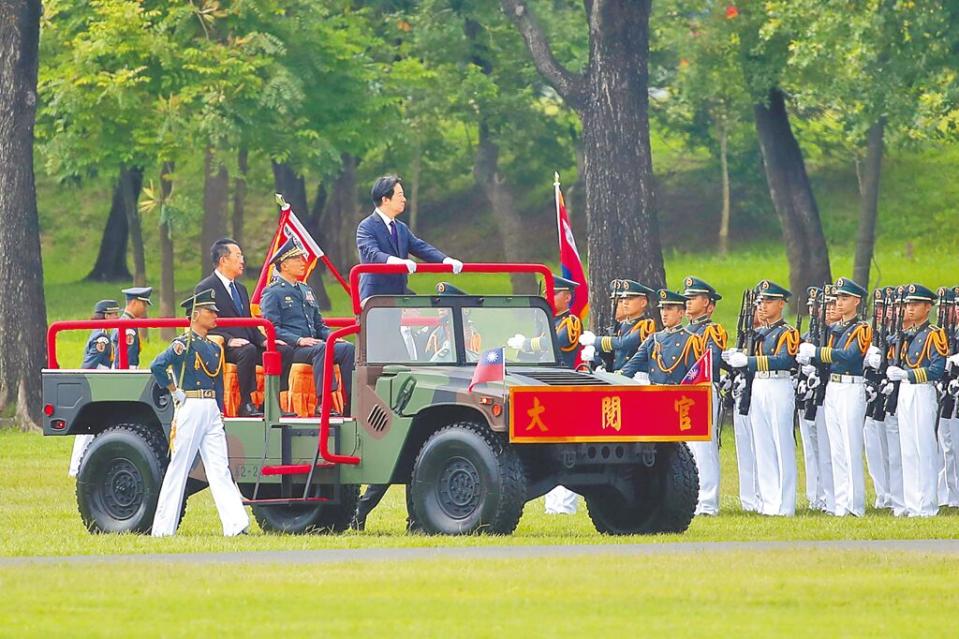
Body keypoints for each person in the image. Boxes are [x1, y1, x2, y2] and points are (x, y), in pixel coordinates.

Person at [150, 288, 249, 537]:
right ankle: (163, 527)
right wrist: (174, 390)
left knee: (219, 467)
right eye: (209, 311)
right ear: (195, 314)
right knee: (179, 466)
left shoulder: (213, 347)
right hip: (191, 405)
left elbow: (217, 383)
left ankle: (236, 525)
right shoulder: (183, 345)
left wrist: (221, 411)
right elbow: (158, 366)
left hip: (209, 408)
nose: (215, 315)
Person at [723, 280, 799, 517]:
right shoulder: (757, 334)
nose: (763, 306)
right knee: (763, 444)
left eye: (768, 301)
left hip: (778, 383)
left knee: (781, 443)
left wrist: (750, 361)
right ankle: (768, 502)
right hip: (759, 385)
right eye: (760, 302)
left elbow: (786, 360)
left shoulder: (788, 332)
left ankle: (785, 504)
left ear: (781, 304)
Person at [799, 277, 871, 517]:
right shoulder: (833, 330)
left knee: (850, 447)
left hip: (852, 387)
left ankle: (854, 505)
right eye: (838, 298)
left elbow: (849, 356)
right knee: (837, 449)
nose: (839, 303)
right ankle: (841, 503)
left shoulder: (861, 329)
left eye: (844, 298)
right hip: (833, 388)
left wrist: (818, 353)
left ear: (857, 301)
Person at [196, 238, 292, 416]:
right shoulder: (206, 288)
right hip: (224, 347)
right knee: (246, 351)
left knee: (283, 351)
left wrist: (265, 340)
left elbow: (249, 321)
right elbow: (200, 324)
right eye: (238, 255)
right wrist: (229, 339)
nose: (242, 260)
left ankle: (270, 402)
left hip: (248, 343)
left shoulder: (241, 288)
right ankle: (246, 403)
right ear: (224, 260)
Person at [260, 237, 354, 416]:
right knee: (322, 349)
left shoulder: (306, 290)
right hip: (293, 347)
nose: (303, 263)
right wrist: (299, 340)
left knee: (347, 349)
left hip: (314, 344)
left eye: (302, 259)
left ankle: (351, 400)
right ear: (284, 265)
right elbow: (272, 328)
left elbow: (319, 324)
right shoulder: (273, 292)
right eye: (297, 259)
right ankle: (322, 402)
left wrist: (332, 336)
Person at [878, 284, 948, 517]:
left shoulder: (934, 334)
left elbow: (937, 369)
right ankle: (911, 502)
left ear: (928, 307)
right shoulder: (904, 334)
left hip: (921, 390)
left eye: (915, 304)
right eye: (908, 304)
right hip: (906, 391)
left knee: (923, 447)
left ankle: (926, 505)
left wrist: (908, 374)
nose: (909, 308)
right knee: (907, 448)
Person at [355, 175, 463, 303]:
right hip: (374, 299)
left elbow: (420, 247)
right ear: (385, 199)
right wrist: (397, 262)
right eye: (400, 195)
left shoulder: (401, 228)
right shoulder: (366, 226)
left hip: (398, 296)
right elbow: (372, 254)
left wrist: (445, 260)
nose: (404, 199)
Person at [682, 276, 727, 516]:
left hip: (703, 387)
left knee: (704, 447)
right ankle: (690, 497)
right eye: (686, 298)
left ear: (709, 304)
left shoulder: (712, 330)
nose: (688, 302)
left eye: (694, 298)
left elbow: (711, 360)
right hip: (684, 391)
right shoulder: (683, 330)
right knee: (686, 448)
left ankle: (708, 502)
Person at [68, 299, 121, 477]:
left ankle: (79, 466)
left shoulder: (101, 334)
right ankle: (77, 467)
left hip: (98, 382)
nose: (117, 317)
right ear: (106, 316)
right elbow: (89, 365)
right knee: (88, 429)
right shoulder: (103, 338)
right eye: (114, 314)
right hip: (97, 383)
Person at [796, 287, 836, 513]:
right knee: (811, 449)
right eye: (812, 306)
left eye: (821, 305)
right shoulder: (811, 335)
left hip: (826, 393)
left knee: (827, 448)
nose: (817, 310)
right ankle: (816, 496)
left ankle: (830, 497)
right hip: (809, 394)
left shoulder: (834, 335)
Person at [620, 289, 703, 384]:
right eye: (662, 308)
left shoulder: (690, 340)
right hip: (653, 393)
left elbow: (693, 378)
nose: (664, 313)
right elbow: (631, 366)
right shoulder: (653, 339)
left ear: (681, 313)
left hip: (677, 395)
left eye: (669, 309)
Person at [579, 279, 655, 372]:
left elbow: (623, 343)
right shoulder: (622, 326)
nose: (625, 303)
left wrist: (596, 341)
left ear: (643, 303)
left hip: (636, 376)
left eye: (630, 299)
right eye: (623, 299)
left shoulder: (646, 326)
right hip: (618, 376)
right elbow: (614, 354)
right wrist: (596, 357)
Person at [509, 274, 582, 368]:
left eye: (553, 294)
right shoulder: (548, 321)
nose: (547, 297)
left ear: (567, 298)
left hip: (562, 376)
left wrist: (526, 343)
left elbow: (554, 342)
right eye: (546, 294)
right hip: (546, 373)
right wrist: (521, 355)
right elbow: (541, 356)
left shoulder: (571, 323)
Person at [113, 286, 152, 368]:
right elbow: (129, 354)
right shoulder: (128, 326)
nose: (145, 308)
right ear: (134, 302)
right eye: (143, 304)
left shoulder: (123, 321)